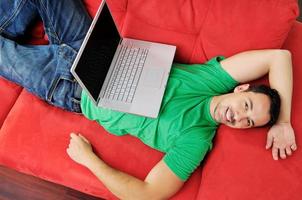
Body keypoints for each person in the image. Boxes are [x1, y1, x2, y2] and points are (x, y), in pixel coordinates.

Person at [0, 0, 297, 199]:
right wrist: (282, 122)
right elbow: (278, 56)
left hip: (76, 88)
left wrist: (89, 160)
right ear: (241, 89)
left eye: (247, 123)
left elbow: (148, 194)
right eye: (245, 107)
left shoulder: (196, 140)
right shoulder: (213, 80)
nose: (237, 117)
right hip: (97, 46)